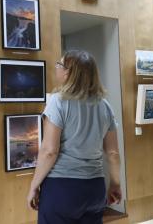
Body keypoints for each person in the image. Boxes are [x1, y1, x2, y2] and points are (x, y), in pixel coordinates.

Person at [27, 50, 122, 224]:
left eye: (59, 64)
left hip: (62, 188)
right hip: (94, 188)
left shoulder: (58, 101)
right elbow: (113, 153)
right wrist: (115, 184)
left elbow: (49, 151)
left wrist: (34, 186)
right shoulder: (104, 105)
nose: (56, 67)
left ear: (69, 72)